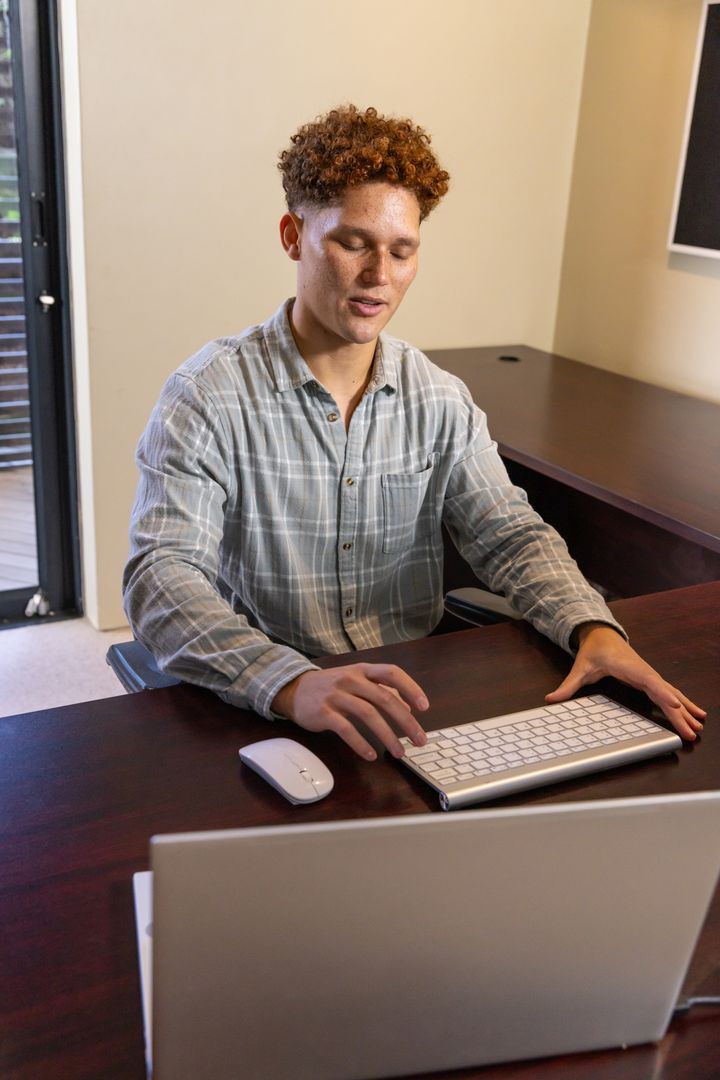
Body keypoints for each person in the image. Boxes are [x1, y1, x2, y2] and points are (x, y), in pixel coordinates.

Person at [123, 104, 705, 761]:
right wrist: (289, 681)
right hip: (272, 704)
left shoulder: (438, 397)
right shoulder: (206, 396)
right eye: (352, 242)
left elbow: (508, 533)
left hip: (413, 703)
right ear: (293, 235)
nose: (380, 276)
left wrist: (592, 626)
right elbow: (161, 576)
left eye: (402, 251)